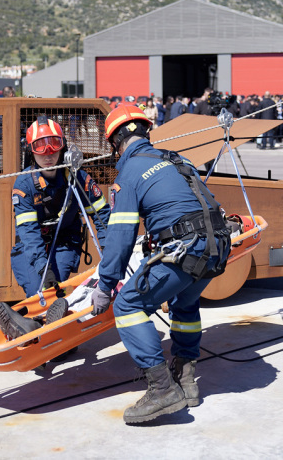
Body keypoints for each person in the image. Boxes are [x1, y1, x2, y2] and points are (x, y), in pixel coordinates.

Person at [90, 105, 231, 424]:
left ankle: (161, 389)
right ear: (145, 133)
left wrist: (105, 285)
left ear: (115, 143)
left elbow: (120, 237)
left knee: (127, 306)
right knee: (186, 299)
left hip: (186, 248)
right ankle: (186, 380)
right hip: (218, 245)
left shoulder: (129, 173)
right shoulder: (176, 159)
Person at [0, 115, 110, 340]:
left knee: (57, 289)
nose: (48, 153)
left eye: (54, 145)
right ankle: (33, 326)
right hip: (32, 248)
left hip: (64, 242)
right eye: (40, 147)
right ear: (31, 152)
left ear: (63, 148)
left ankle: (51, 332)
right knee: (38, 290)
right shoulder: (24, 185)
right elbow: (28, 234)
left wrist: (111, 252)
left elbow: (102, 217)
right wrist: (42, 268)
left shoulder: (78, 178)